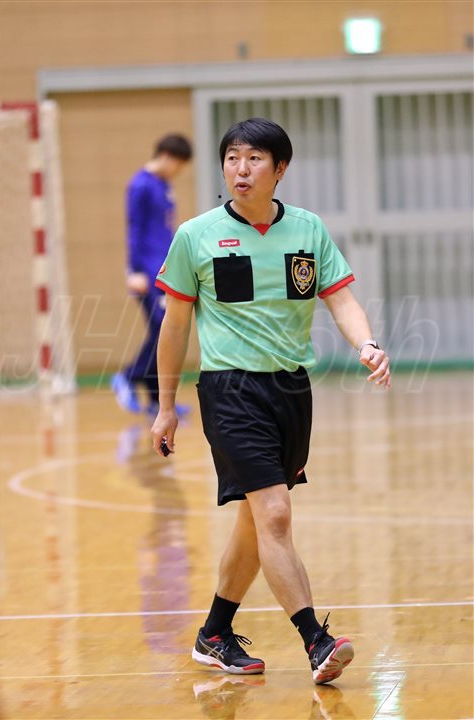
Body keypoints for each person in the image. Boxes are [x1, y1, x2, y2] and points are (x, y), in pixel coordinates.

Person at [151, 118, 391, 685]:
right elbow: (174, 326)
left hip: (290, 391)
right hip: (230, 391)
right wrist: (165, 406)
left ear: (280, 169)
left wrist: (367, 343)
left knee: (255, 521)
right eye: (232, 158)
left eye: (254, 159)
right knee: (276, 514)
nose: (241, 169)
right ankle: (316, 641)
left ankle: (214, 634)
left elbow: (341, 299)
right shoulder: (196, 236)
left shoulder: (308, 229)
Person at [111, 133, 192, 416]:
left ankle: (157, 401)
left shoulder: (164, 185)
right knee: (162, 330)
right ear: (167, 156)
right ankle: (127, 377)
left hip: (164, 271)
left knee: (164, 330)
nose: (179, 171)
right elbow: (134, 229)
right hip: (146, 273)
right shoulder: (140, 185)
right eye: (179, 164)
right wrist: (134, 270)